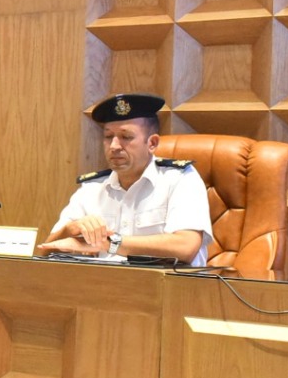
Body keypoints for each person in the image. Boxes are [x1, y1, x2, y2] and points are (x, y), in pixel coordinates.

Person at [38, 93, 211, 265]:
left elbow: (185, 247)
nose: (114, 146)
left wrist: (110, 243)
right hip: (100, 281)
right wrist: (71, 229)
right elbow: (45, 251)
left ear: (152, 143)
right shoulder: (92, 188)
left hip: (162, 281)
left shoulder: (180, 179)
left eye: (126, 137)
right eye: (108, 137)